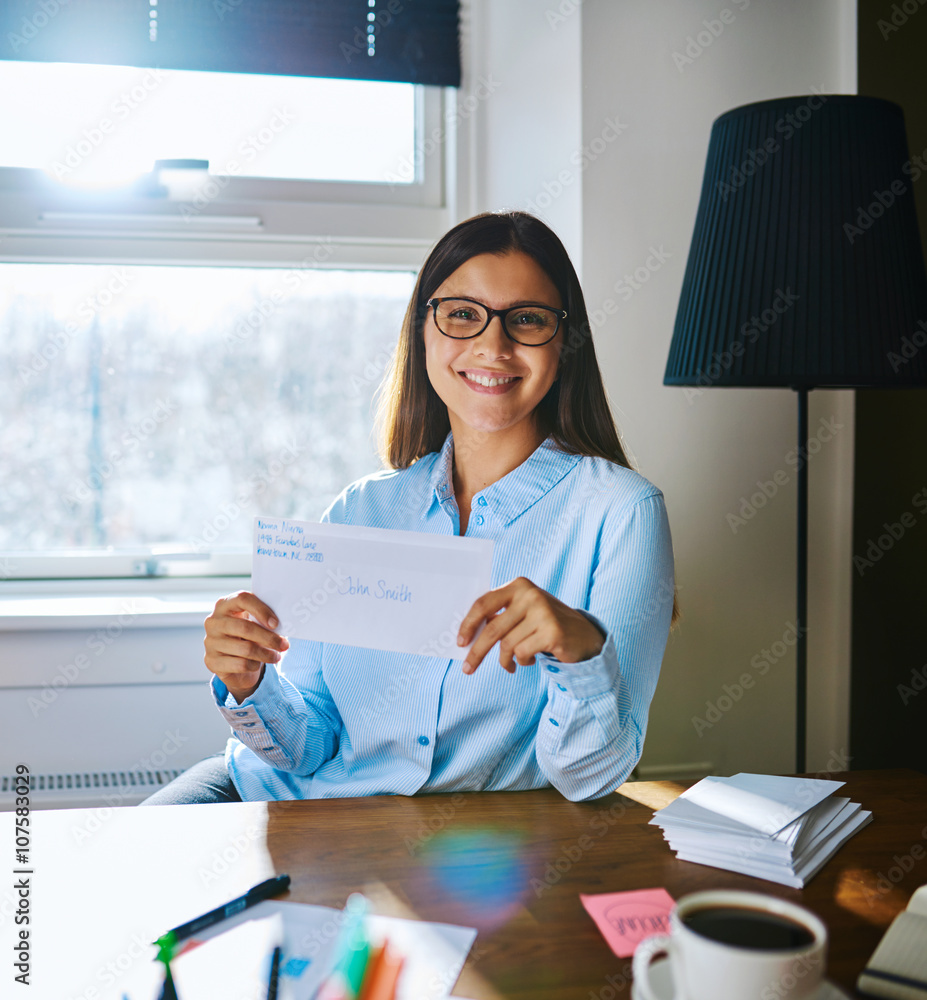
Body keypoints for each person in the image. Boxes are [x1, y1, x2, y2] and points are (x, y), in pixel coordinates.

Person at [141, 210, 676, 807]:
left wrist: (580, 651)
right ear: (423, 331)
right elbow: (306, 748)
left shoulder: (622, 514)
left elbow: (588, 777)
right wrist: (250, 683)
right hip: (263, 797)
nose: (492, 346)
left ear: (564, 343)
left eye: (527, 319)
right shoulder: (360, 509)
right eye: (463, 315)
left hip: (453, 848)